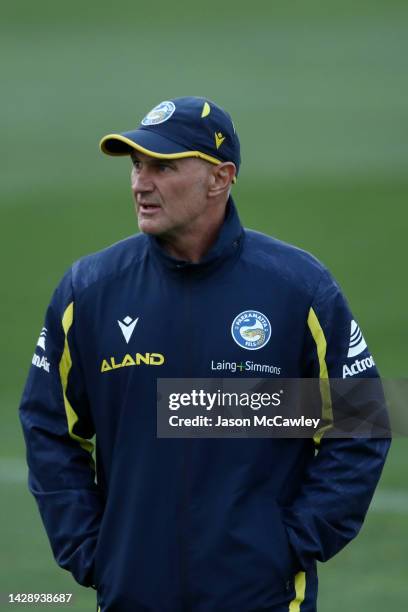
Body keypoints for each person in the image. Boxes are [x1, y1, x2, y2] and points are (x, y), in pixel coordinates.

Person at [19, 96, 390, 612]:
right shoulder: (90, 292)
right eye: (136, 164)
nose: (140, 183)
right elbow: (50, 429)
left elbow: (361, 423)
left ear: (220, 178)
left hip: (261, 597)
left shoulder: (298, 290)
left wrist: (291, 544)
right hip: (132, 595)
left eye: (163, 166)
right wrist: (89, 549)